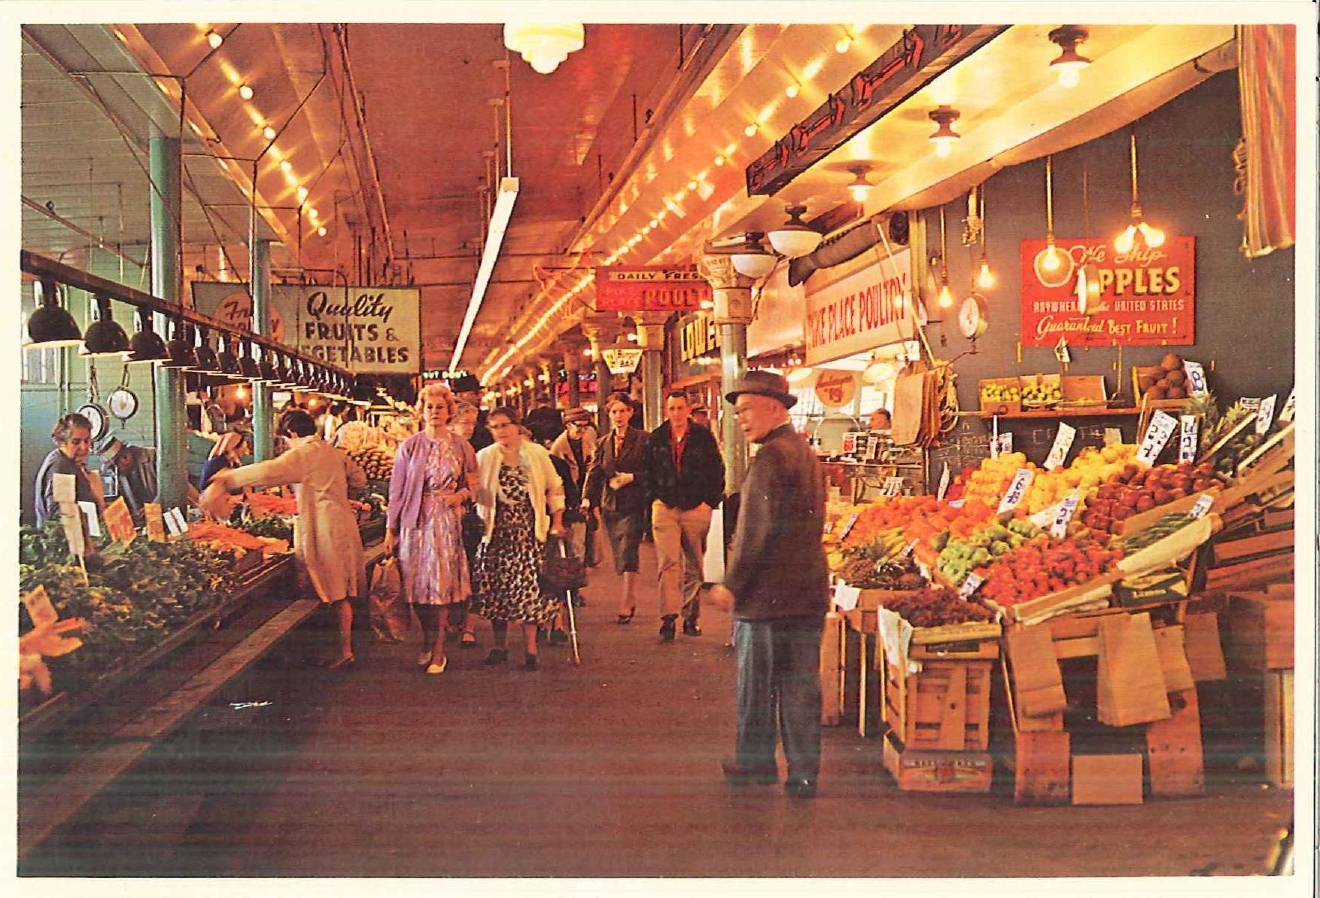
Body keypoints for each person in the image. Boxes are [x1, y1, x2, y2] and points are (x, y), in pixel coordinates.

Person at [707, 371, 829, 799]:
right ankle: (804, 774)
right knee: (800, 686)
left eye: (745, 409)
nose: (739, 418)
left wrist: (732, 583)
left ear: (774, 407)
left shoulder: (770, 459)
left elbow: (757, 531)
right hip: (807, 593)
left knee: (756, 687)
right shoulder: (804, 453)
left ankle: (754, 765)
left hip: (767, 599)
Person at [200, 409, 366, 670]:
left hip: (324, 529)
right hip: (343, 523)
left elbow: (269, 472)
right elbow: (359, 478)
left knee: (334, 592)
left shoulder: (304, 454)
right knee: (341, 591)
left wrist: (226, 479)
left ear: (291, 433)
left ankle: (344, 652)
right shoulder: (333, 451)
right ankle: (343, 649)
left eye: (286, 440)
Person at [385, 384, 479, 675]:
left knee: (440, 587)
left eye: (440, 407)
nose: (435, 412)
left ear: (449, 410)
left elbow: (474, 484)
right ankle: (427, 638)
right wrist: (391, 529)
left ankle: (438, 651)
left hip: (447, 522)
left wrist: (459, 497)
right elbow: (396, 491)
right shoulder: (409, 446)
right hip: (415, 523)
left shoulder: (462, 446)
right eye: (430, 407)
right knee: (416, 589)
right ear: (422, 410)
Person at [470, 406, 566, 670]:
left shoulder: (536, 454)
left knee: (529, 591)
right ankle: (500, 645)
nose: (501, 431)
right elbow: (475, 489)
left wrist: (557, 521)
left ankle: (531, 648)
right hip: (496, 534)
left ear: (517, 426)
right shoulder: (485, 457)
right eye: (495, 427)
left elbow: (554, 487)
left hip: (528, 534)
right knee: (496, 592)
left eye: (505, 425)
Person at [642, 389, 724, 641]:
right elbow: (647, 472)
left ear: (688, 410)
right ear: (666, 411)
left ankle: (691, 616)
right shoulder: (656, 438)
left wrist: (709, 502)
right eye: (672, 409)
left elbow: (717, 470)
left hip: (695, 506)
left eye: (680, 408)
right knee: (668, 562)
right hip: (665, 506)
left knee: (695, 565)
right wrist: (654, 500)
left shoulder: (703, 437)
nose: (676, 413)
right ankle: (669, 617)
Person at [583, 394, 649, 624]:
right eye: (614, 412)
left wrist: (632, 477)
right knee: (618, 552)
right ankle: (626, 590)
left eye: (623, 411)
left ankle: (627, 599)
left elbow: (654, 472)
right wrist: (587, 500)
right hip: (609, 504)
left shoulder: (644, 440)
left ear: (631, 412)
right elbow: (594, 472)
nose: (618, 416)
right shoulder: (603, 443)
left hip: (634, 502)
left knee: (628, 548)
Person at [549, 407, 598, 584]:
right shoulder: (558, 448)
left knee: (579, 545)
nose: (583, 431)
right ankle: (567, 584)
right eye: (579, 426)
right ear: (568, 425)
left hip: (582, 501)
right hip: (567, 503)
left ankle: (576, 584)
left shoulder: (587, 444)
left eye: (586, 427)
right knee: (567, 547)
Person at [34, 412, 105, 530]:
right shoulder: (61, 467)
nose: (84, 447)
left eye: (87, 441)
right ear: (61, 442)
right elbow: (58, 515)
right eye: (76, 442)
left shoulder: (70, 462)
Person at [99, 437, 159, 525]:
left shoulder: (155, 458)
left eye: (114, 467)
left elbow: (172, 490)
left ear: (125, 457)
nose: (115, 471)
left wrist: (152, 509)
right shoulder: (120, 474)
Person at [450, 373, 493, 451]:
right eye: (473, 394)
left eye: (480, 393)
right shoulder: (449, 416)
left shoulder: (486, 417)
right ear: (459, 396)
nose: (479, 397)